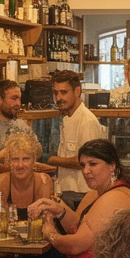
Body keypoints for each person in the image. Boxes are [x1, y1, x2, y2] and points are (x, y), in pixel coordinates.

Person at [47, 69, 107, 210]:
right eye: (56, 93)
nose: (59, 97)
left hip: (82, 194)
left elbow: (86, 161)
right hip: (67, 192)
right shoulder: (68, 117)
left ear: (77, 91)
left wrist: (52, 160)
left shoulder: (87, 121)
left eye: (64, 92)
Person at [0, 131, 54, 219]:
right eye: (15, 159)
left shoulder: (43, 180)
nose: (20, 165)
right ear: (9, 162)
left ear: (33, 161)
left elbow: (46, 220)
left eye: (25, 159)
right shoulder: (1, 181)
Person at [0, 79, 38, 177]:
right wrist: (18, 170)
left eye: (19, 99)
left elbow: (37, 151)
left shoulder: (22, 125)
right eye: (14, 98)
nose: (18, 103)